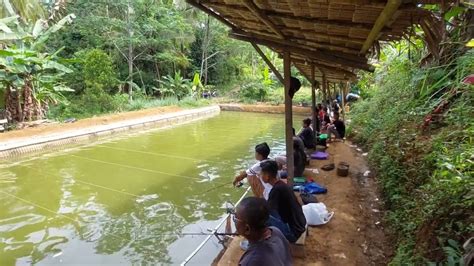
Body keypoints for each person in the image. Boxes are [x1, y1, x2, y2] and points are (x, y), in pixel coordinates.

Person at [234, 197, 292, 266]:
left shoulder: (250, 262)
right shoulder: (275, 231)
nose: (234, 220)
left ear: (247, 229)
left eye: (235, 217)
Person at [260, 160, 307, 243]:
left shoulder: (275, 191)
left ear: (267, 176)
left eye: (262, 174)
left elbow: (266, 211)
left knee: (261, 218)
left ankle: (258, 242)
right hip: (300, 225)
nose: (260, 176)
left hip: (293, 234)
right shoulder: (282, 185)